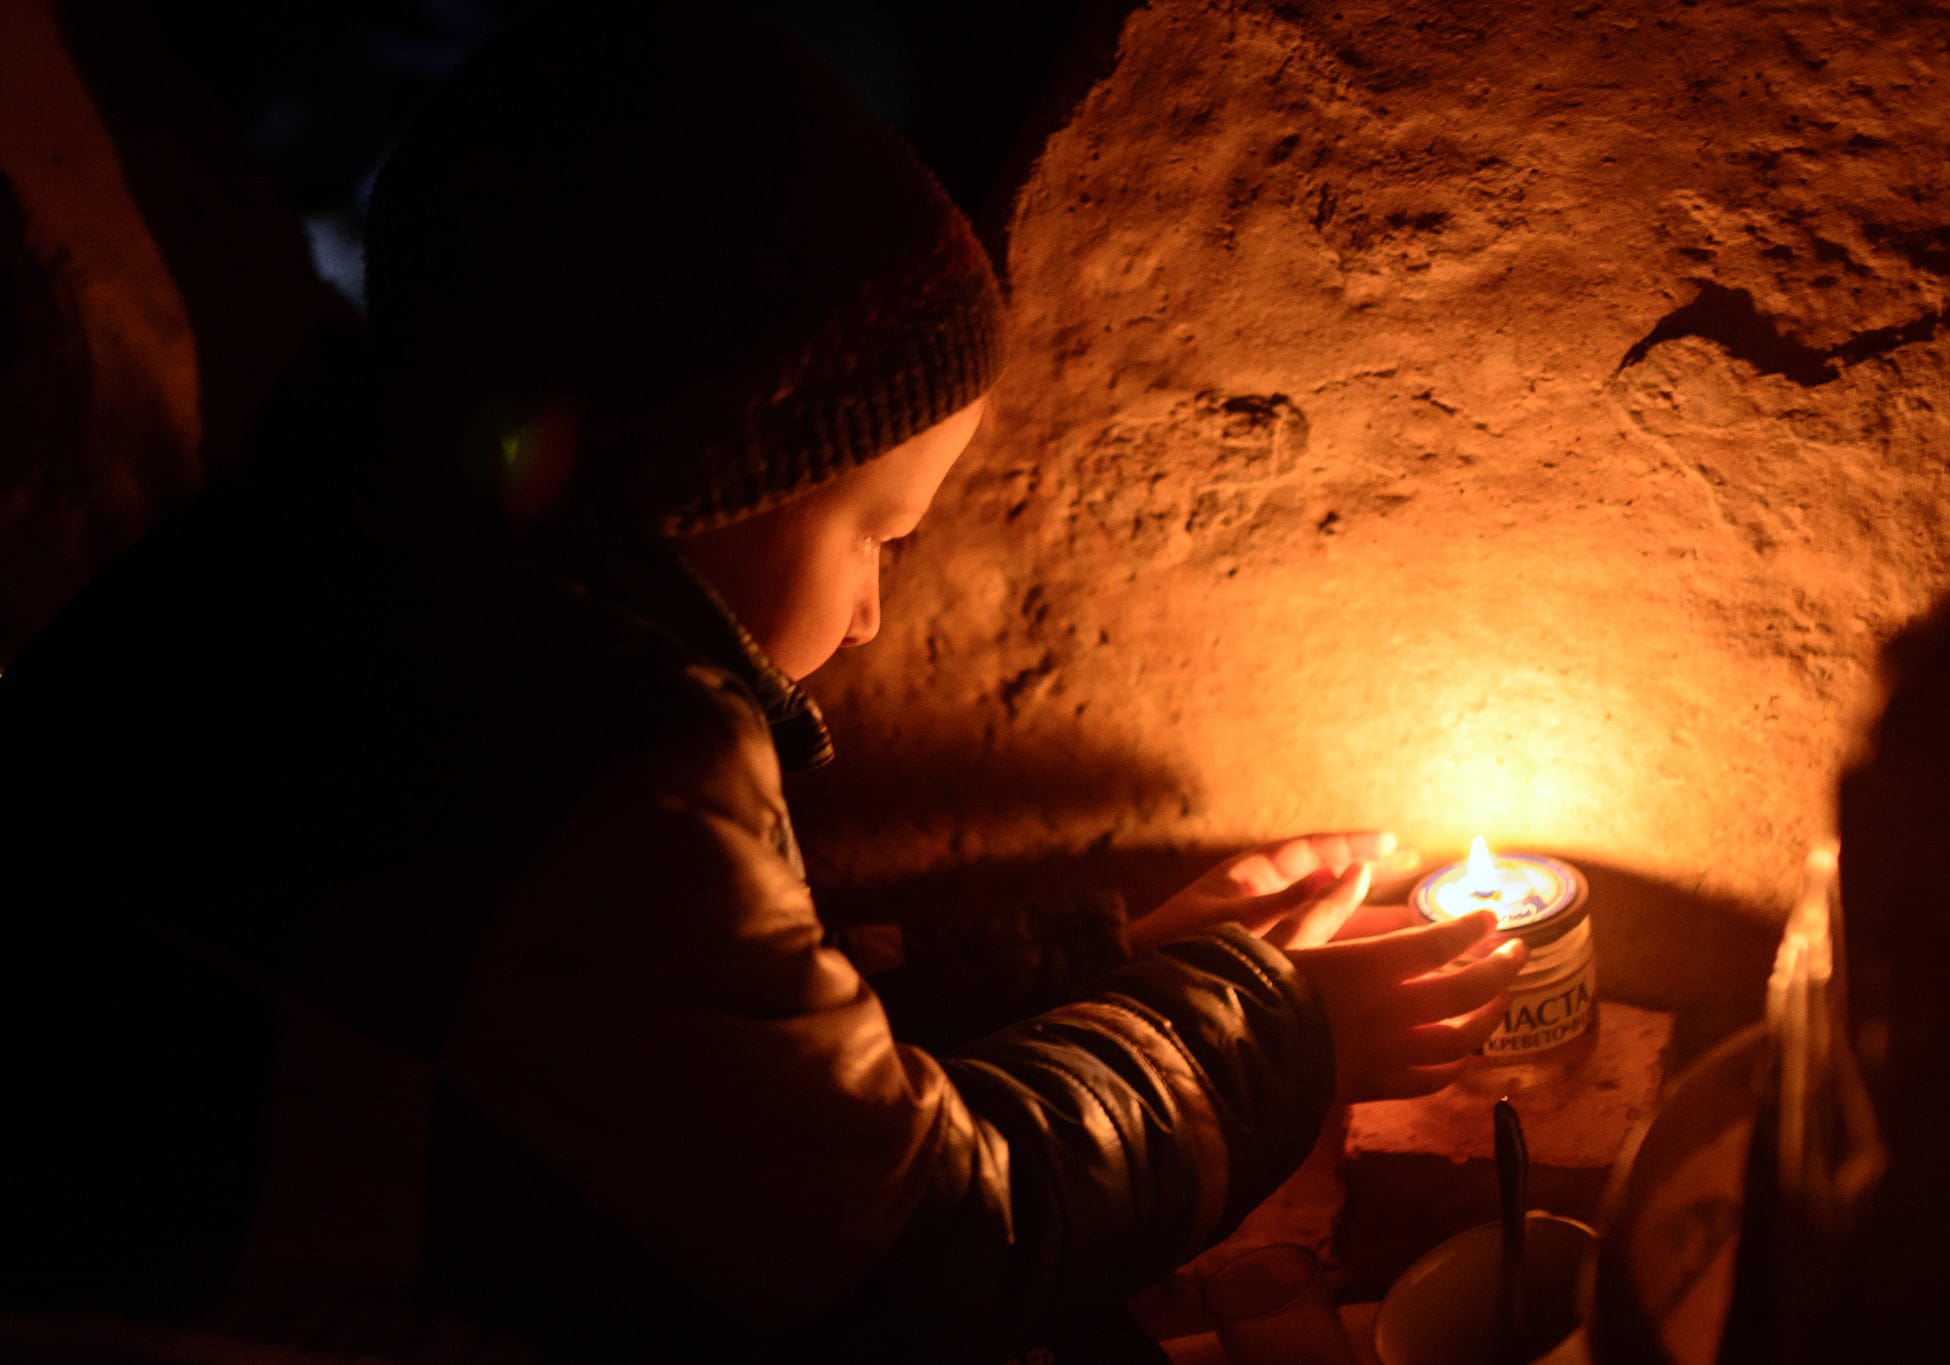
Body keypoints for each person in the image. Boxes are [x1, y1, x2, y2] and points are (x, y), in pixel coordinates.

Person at [0, 6, 1525, 1361]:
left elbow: (725, 1063)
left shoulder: (341, 568)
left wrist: (1116, 956)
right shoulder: (596, 768)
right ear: (717, 478)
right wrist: (1276, 1027)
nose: (871, 618)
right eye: (877, 533)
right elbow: (927, 1264)